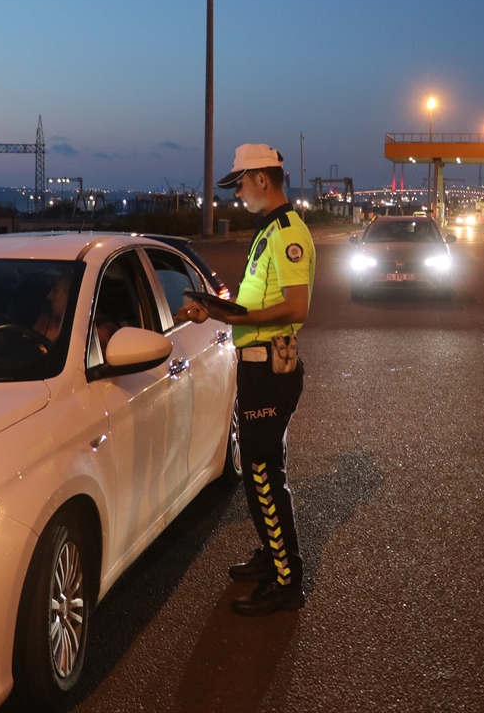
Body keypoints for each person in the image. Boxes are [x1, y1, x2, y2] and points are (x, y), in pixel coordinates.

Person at [176, 143, 315, 616]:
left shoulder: (287, 232)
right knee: (261, 469)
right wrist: (211, 309)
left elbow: (297, 307)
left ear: (261, 178)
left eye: (239, 183)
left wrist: (242, 317)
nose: (237, 194)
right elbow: (252, 299)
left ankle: (286, 578)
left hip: (270, 368)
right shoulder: (266, 231)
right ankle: (270, 552)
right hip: (254, 364)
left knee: (261, 470)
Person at [33, 274, 72, 342]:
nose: (49, 296)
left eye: (55, 291)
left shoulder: (89, 333)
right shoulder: (45, 322)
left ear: (71, 297)